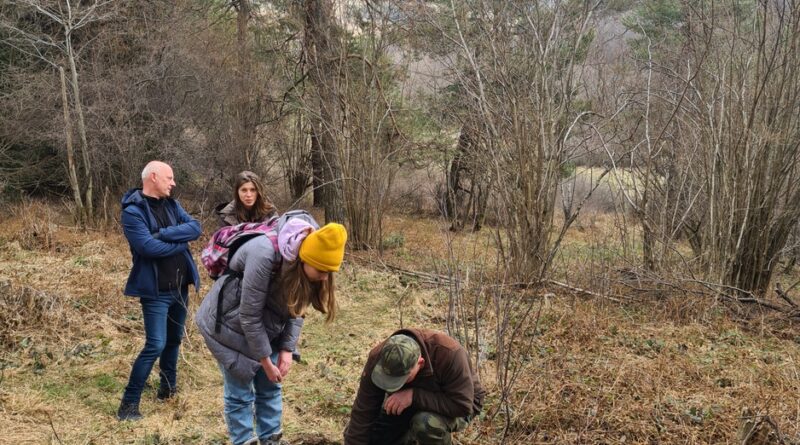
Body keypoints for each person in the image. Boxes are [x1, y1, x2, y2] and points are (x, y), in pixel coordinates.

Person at [196, 213, 347, 445]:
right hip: (228, 325)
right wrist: (266, 362)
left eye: (329, 272)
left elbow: (297, 308)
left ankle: (271, 440)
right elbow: (249, 316)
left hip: (268, 325)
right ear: (304, 259)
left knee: (271, 387)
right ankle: (244, 440)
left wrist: (287, 348)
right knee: (240, 393)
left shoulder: (312, 261)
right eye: (321, 271)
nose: (325, 278)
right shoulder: (264, 253)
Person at [117, 161, 202, 421]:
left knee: (174, 340)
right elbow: (147, 248)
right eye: (169, 178)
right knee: (155, 344)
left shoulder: (172, 205)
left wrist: (163, 233)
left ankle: (167, 390)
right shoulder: (133, 212)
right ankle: (128, 405)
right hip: (156, 293)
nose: (173, 183)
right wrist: (180, 243)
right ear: (153, 177)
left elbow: (195, 228)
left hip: (180, 288)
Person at [344, 329, 485, 445]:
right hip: (411, 402)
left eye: (401, 379)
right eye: (389, 379)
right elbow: (363, 411)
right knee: (370, 432)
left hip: (460, 403)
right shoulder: (378, 358)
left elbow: (462, 405)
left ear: (420, 363)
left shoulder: (449, 354)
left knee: (425, 423)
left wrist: (414, 396)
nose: (394, 384)